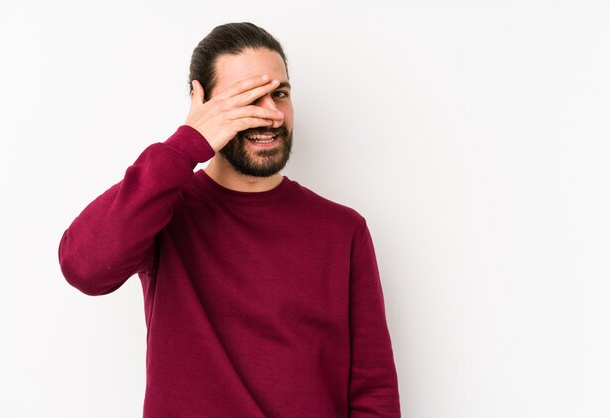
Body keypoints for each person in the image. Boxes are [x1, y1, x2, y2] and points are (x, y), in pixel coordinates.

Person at [58, 22, 400, 417]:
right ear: (202, 105)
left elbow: (374, 392)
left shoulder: (343, 230)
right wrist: (187, 142)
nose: (271, 113)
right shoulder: (164, 210)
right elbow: (82, 267)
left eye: (280, 94)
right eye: (247, 98)